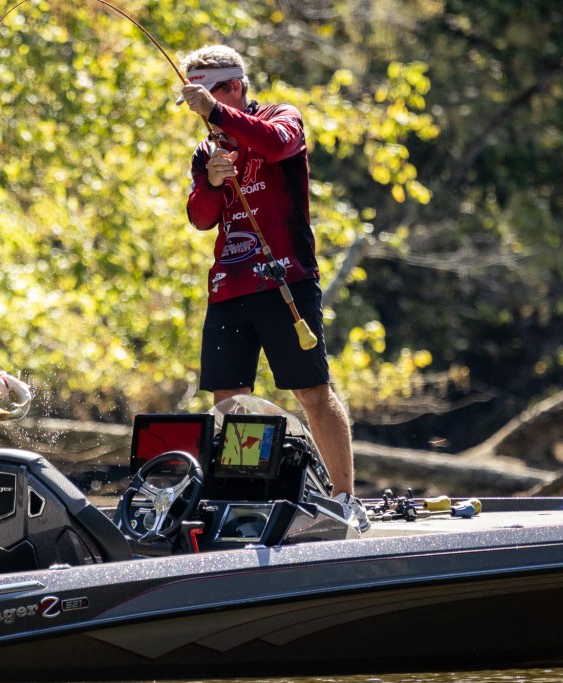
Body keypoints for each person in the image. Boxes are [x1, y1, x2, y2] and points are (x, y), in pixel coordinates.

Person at [179, 45, 368, 532]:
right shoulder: (207, 150)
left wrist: (217, 112)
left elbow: (278, 146)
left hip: (286, 280)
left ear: (234, 87)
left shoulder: (281, 118)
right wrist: (211, 184)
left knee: (311, 391)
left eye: (209, 97)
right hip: (228, 288)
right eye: (196, 102)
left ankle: (346, 499)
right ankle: (245, 499)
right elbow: (200, 218)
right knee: (229, 399)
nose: (201, 113)